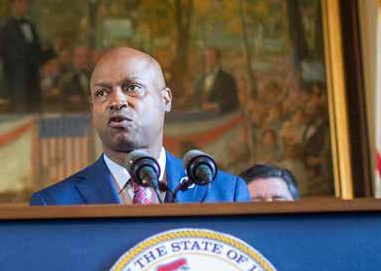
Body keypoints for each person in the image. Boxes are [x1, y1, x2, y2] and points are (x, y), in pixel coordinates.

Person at [31, 47, 249, 205]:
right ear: (92, 109)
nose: (116, 101)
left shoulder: (226, 193)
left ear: (166, 100)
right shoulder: (53, 203)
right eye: (102, 93)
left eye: (132, 87)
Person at [0, 0, 55, 112]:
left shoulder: (31, 26)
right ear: (12, 4)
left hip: (33, 86)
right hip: (14, 87)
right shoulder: (3, 27)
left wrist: (51, 51)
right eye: (19, 1)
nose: (23, 4)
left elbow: (35, 57)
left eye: (26, 1)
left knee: (35, 119)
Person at [193, 47, 239, 114]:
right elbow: (195, 101)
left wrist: (216, 105)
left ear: (218, 59)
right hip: (200, 117)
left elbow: (234, 102)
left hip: (220, 116)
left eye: (211, 57)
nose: (209, 60)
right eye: (206, 57)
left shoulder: (228, 79)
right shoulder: (199, 80)